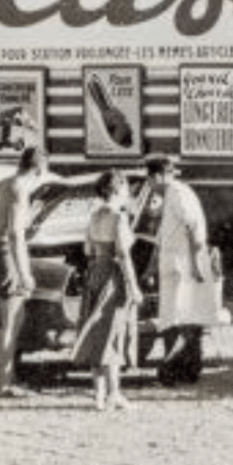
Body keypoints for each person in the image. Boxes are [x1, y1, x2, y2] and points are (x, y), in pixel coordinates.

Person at [144, 154, 227, 380]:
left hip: (185, 265)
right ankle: (187, 369)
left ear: (160, 176)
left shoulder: (179, 193)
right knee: (176, 317)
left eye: (150, 179)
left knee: (182, 318)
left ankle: (176, 368)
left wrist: (195, 265)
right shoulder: (169, 196)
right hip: (174, 264)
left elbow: (195, 231)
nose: (149, 184)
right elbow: (163, 237)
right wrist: (152, 266)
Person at [71, 170, 144, 411]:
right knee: (113, 333)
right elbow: (123, 255)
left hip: (95, 273)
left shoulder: (94, 216)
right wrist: (134, 286)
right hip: (113, 276)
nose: (128, 194)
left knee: (95, 331)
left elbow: (87, 249)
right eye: (125, 189)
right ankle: (114, 393)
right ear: (116, 190)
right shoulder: (118, 218)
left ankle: (99, 395)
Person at [0, 146, 50, 395]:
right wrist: (25, 273)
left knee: (9, 319)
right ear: (39, 169)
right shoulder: (20, 190)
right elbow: (16, 236)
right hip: (6, 255)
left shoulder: (2, 185)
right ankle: (5, 382)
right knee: (11, 320)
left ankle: (7, 378)